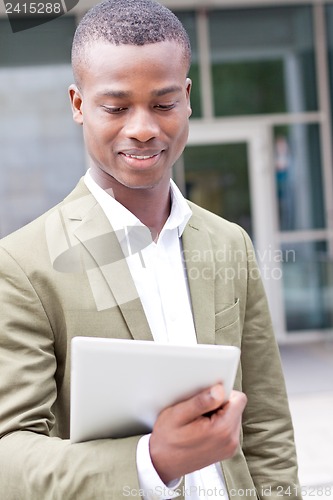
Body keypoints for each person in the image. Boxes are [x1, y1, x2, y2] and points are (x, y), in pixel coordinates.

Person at [0, 1, 302, 499]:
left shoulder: (229, 243)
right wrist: (151, 462)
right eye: (116, 107)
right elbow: (10, 451)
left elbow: (267, 424)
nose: (142, 128)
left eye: (162, 104)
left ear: (187, 97)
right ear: (78, 104)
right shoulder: (23, 265)